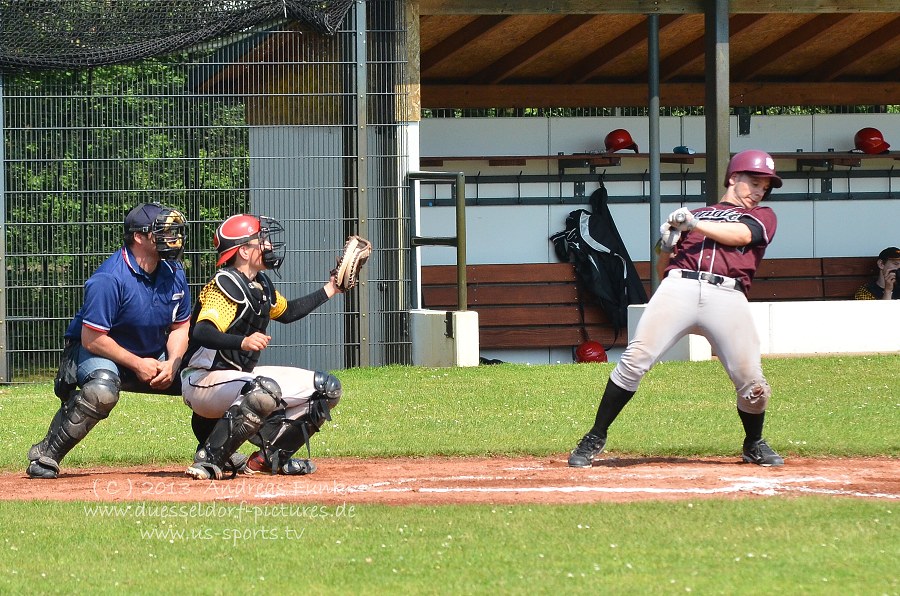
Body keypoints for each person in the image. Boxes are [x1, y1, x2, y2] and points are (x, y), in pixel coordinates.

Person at [568, 150, 785, 469]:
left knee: (753, 384)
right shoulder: (697, 213)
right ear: (733, 178)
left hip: (727, 294)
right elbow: (661, 267)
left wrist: (695, 224)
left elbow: (743, 235)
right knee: (635, 360)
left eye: (764, 186)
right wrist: (667, 243)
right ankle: (594, 436)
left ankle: (753, 442)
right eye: (753, 182)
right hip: (679, 287)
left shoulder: (762, 215)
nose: (758, 191)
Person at [27, 202, 190, 479]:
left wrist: (173, 363)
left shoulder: (174, 272)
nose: (173, 238)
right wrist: (138, 364)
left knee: (204, 375)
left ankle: (216, 451)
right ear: (139, 236)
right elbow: (92, 339)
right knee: (102, 389)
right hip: (97, 351)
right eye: (162, 231)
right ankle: (46, 455)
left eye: (174, 231)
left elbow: (180, 326)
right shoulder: (109, 277)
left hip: (151, 356)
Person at [180, 213, 344, 480]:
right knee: (264, 390)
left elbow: (288, 312)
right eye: (261, 240)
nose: (268, 246)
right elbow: (202, 331)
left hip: (238, 381)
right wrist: (242, 341)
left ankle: (270, 457)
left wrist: (331, 288)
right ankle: (209, 459)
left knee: (326, 389)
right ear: (244, 250)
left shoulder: (261, 285)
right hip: (202, 379)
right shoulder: (225, 284)